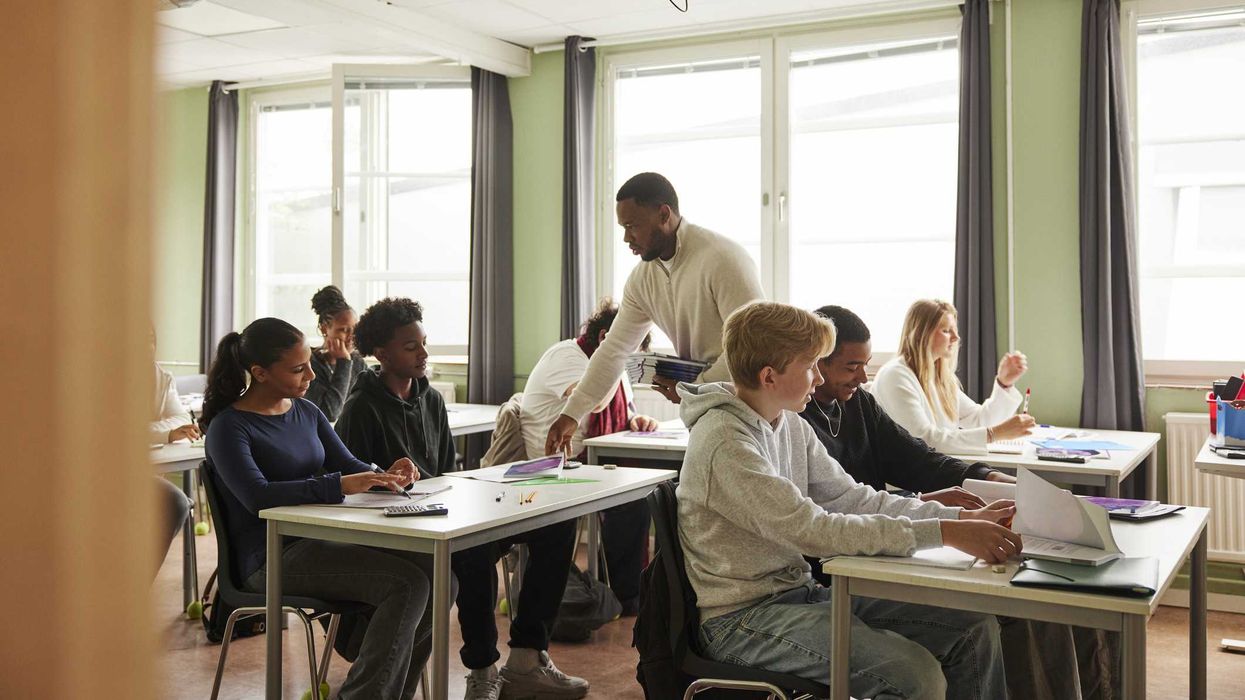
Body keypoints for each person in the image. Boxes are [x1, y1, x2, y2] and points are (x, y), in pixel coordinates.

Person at [676, 301, 1017, 698]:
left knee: (973, 630)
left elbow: (853, 499)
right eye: (810, 366)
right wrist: (944, 532)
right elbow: (814, 530)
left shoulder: (789, 426)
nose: (818, 377)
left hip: (799, 596)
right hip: (742, 618)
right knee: (915, 674)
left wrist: (958, 517)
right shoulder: (725, 443)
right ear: (769, 376)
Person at [800, 305, 1113, 700]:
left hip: (895, 532)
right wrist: (933, 509)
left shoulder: (858, 403)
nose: (864, 378)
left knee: (1062, 598)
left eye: (865, 365)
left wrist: (991, 479)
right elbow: (836, 513)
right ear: (816, 364)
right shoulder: (797, 421)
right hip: (855, 559)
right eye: (851, 367)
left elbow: (918, 458)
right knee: (1017, 609)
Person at [335, 298, 588, 700]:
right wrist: (392, 483)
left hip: (439, 517)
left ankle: (526, 656)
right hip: (396, 534)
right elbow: (352, 488)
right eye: (411, 346)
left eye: (424, 343)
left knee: (555, 524)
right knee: (470, 551)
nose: (424, 353)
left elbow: (443, 475)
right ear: (381, 354)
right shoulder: (360, 407)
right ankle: (483, 670)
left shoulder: (431, 400)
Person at [202, 317, 433, 700]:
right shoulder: (229, 428)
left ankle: (384, 687)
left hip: (321, 542)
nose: (311, 373)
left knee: (442, 575)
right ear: (259, 373)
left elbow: (351, 465)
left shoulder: (306, 412)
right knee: (408, 583)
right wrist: (336, 485)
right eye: (297, 368)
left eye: (309, 361)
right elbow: (258, 496)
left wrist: (387, 474)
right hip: (269, 559)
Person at [545, 172, 764, 456]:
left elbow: (753, 345)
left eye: (632, 226)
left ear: (664, 214)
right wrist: (571, 414)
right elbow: (613, 350)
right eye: (623, 228)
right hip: (705, 409)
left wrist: (694, 390)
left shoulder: (723, 259)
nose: (626, 238)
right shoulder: (642, 279)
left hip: (751, 406)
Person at [520, 298, 658, 614]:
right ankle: (627, 595)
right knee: (632, 501)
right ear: (604, 338)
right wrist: (616, 358)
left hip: (589, 455)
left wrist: (636, 420)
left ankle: (641, 587)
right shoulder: (566, 356)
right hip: (556, 461)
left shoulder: (608, 365)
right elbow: (591, 402)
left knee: (659, 492)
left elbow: (624, 410)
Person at [871, 298, 1036, 455]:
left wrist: (1004, 382)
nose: (956, 338)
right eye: (946, 330)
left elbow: (978, 419)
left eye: (955, 330)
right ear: (921, 334)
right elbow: (923, 439)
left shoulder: (938, 378)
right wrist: (993, 434)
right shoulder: (895, 376)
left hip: (936, 470)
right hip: (906, 479)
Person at [149, 327, 196, 577]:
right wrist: (162, 431)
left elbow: (180, 418)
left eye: (150, 340)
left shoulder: (160, 376)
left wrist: (160, 432)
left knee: (176, 503)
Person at [306, 285, 367, 421]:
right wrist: (344, 363)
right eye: (344, 330)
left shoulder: (358, 363)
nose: (352, 336)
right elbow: (330, 413)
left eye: (354, 329)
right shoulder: (309, 364)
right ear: (324, 329)